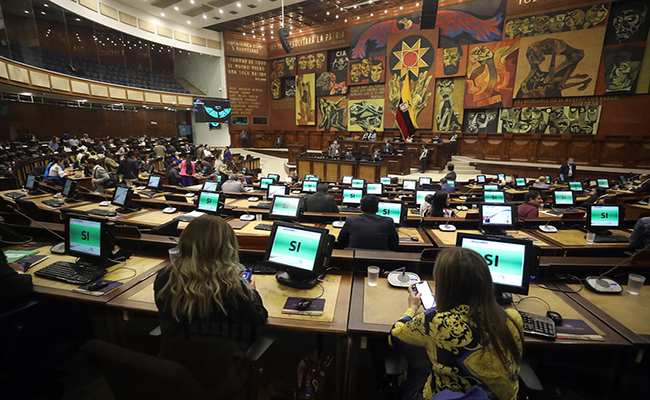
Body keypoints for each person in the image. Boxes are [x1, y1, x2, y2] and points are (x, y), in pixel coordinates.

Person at [154, 215, 268, 398]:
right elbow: (256, 324)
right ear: (227, 247)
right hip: (219, 378)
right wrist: (252, 293)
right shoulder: (231, 286)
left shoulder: (165, 277)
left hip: (173, 370)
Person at [390, 247, 523, 400]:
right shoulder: (512, 318)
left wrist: (412, 308)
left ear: (445, 286)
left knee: (418, 366)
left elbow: (396, 334)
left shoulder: (436, 321)